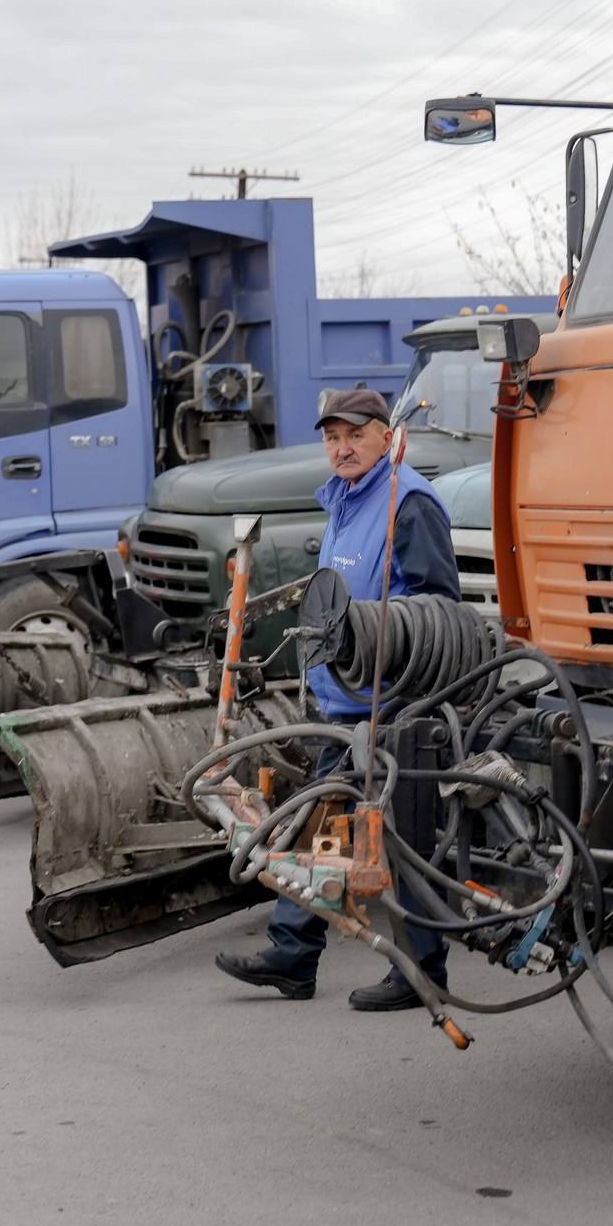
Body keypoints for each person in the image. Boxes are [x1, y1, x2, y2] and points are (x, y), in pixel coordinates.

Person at [214, 386, 460, 1012]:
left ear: (385, 435)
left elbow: (437, 609)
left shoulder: (410, 502)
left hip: (396, 703)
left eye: (355, 434)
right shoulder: (348, 501)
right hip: (345, 702)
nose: (342, 447)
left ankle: (422, 974)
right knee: (316, 826)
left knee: (403, 842)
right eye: (332, 437)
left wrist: (397, 684)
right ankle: (293, 955)